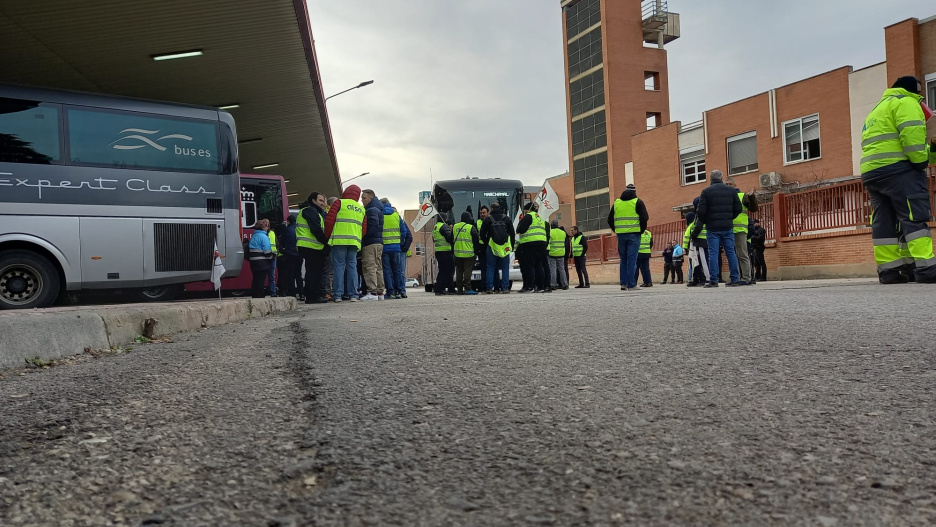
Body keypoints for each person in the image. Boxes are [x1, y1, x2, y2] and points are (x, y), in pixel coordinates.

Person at [860, 76, 936, 283]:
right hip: (899, 170)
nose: (921, 96)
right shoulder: (907, 102)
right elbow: (911, 135)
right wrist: (921, 161)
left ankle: (890, 271)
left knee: (884, 220)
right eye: (920, 92)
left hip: (872, 172)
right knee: (913, 215)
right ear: (914, 90)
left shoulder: (877, 109)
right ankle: (926, 268)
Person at [693, 170, 742, 287]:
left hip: (712, 228)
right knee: (731, 252)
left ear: (710, 179)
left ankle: (714, 280)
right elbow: (738, 208)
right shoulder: (731, 190)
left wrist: (707, 221)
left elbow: (701, 210)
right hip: (727, 226)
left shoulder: (706, 191)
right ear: (721, 178)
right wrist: (730, 218)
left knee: (713, 254)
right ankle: (735, 278)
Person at [324, 185, 365, 302]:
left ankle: (337, 295)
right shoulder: (361, 208)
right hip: (354, 241)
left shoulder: (339, 203)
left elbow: (329, 221)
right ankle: (353, 295)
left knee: (339, 267)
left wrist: (328, 236)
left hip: (338, 240)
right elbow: (364, 227)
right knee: (352, 266)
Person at [608, 184, 649, 291]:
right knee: (632, 260)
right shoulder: (638, 202)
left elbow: (609, 219)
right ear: (634, 192)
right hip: (634, 235)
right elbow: (645, 218)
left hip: (621, 235)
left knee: (623, 260)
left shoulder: (617, 203)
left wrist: (617, 230)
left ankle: (623, 283)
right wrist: (641, 230)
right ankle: (631, 284)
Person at [296, 192, 330, 304]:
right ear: (313, 200)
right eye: (320, 200)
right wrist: (326, 243)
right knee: (313, 272)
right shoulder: (310, 210)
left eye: (324, 201)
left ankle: (313, 295)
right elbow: (315, 229)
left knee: (313, 272)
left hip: (310, 246)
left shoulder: (313, 211)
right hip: (311, 246)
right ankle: (312, 297)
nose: (323, 203)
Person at [726, 179, 759, 285]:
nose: (728, 186)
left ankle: (746, 278)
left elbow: (753, 208)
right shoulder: (724, 197)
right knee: (731, 256)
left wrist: (751, 197)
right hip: (728, 230)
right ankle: (735, 278)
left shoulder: (742, 196)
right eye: (726, 184)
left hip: (740, 230)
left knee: (742, 255)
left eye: (730, 184)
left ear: (735, 185)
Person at [479, 202, 515, 294]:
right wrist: (512, 245)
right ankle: (505, 288)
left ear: (491, 209)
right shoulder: (506, 219)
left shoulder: (488, 219)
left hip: (492, 246)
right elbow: (512, 233)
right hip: (505, 247)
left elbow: (482, 234)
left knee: (490, 267)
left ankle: (489, 288)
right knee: (505, 267)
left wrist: (488, 241)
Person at [516, 202, 549, 293]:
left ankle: (529, 286)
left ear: (527, 210)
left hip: (529, 243)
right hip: (541, 244)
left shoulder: (528, 216)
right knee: (539, 265)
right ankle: (540, 286)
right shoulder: (540, 218)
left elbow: (520, 229)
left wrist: (520, 223)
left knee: (529, 266)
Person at [358, 189, 385, 301]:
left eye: (364, 198)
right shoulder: (378, 208)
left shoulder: (371, 209)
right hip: (378, 242)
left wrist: (363, 236)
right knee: (378, 267)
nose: (362, 200)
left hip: (370, 242)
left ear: (371, 198)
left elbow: (372, 225)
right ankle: (379, 292)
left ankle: (372, 292)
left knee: (369, 266)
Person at [380, 199, 407, 299]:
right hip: (396, 247)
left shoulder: (380, 215)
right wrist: (399, 242)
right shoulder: (396, 215)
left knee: (387, 271)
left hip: (384, 247)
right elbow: (403, 231)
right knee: (397, 270)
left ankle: (390, 292)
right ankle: (400, 291)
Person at [452, 211, 480, 295]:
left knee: (459, 271)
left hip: (457, 254)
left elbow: (450, 239)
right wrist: (476, 252)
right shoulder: (471, 227)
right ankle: (467, 288)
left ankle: (460, 289)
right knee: (468, 271)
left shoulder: (455, 226)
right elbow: (476, 241)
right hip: (469, 254)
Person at [247, 219, 273, 298]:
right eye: (266, 227)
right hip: (262, 262)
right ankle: (260, 295)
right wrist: (271, 257)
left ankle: (254, 295)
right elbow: (267, 251)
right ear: (263, 227)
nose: (267, 228)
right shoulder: (264, 236)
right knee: (261, 280)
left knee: (255, 279)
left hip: (253, 261)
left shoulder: (254, 236)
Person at [685, 209, 710, 287]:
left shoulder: (694, 222)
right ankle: (701, 279)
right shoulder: (705, 218)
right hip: (704, 242)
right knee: (700, 262)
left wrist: (685, 248)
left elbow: (687, 238)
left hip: (698, 244)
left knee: (699, 262)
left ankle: (706, 278)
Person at [279, 214, 300, 299]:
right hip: (299, 254)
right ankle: (301, 293)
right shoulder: (299, 229)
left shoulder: (287, 230)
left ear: (288, 221)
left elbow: (282, 242)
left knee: (291, 274)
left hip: (289, 255)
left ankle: (292, 293)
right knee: (299, 274)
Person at [433, 217, 456, 295]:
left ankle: (439, 289)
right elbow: (449, 238)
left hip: (438, 252)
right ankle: (451, 289)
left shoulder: (435, 227)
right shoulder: (444, 226)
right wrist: (451, 230)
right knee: (450, 271)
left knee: (442, 271)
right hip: (446, 251)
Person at [321, 197, 338, 300]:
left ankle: (329, 291)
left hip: (330, 244)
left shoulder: (326, 213)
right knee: (329, 270)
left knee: (330, 270)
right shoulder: (328, 214)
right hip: (329, 245)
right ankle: (327, 292)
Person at [548, 219, 569, 291]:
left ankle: (553, 284)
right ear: (557, 225)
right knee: (562, 269)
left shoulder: (550, 232)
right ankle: (565, 284)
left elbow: (548, 242)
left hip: (552, 253)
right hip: (561, 253)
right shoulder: (563, 232)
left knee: (553, 269)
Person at [476, 205, 489, 289]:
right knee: (483, 268)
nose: (482, 214)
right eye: (481, 213)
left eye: (484, 213)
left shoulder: (491, 221)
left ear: (488, 213)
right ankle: (484, 286)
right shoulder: (477, 222)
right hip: (481, 247)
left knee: (491, 268)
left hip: (490, 246)